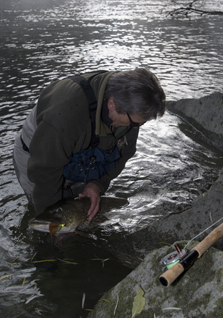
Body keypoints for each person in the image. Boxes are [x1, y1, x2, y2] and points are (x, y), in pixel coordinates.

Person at [13, 68, 165, 221]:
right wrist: (55, 222)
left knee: (81, 209)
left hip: (80, 149)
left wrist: (98, 184)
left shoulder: (131, 106)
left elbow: (125, 153)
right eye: (135, 122)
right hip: (39, 155)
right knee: (47, 216)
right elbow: (45, 175)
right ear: (112, 104)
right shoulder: (66, 114)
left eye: (142, 123)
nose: (136, 127)